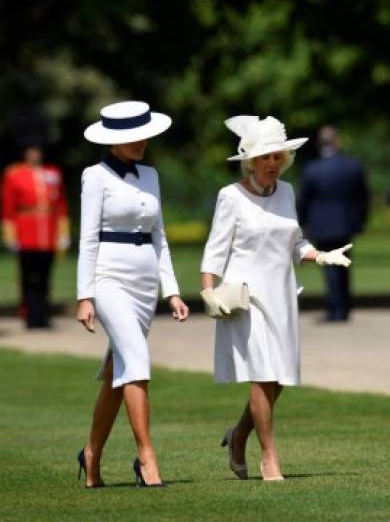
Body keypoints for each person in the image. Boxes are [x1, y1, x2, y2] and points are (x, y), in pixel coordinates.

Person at [200, 115, 352, 481]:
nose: (272, 163)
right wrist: (208, 290)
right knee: (261, 375)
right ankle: (269, 457)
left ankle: (238, 435)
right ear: (251, 160)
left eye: (277, 157)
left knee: (278, 377)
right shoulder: (230, 196)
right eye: (265, 157)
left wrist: (321, 254)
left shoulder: (286, 193)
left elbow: (294, 242)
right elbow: (214, 250)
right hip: (246, 298)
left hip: (281, 294)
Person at [76, 100, 189, 488]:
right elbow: (88, 238)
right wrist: (85, 295)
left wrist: (171, 291)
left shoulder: (151, 175)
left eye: (144, 135)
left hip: (144, 284)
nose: (142, 142)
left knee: (116, 373)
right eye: (133, 137)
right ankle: (147, 459)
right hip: (108, 277)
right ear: (113, 140)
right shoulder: (95, 176)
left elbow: (160, 236)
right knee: (137, 361)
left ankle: (91, 453)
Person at [298, 125, 369, 322]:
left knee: (330, 266)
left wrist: (302, 224)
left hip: (322, 225)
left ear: (319, 143)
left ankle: (336, 309)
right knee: (344, 265)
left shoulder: (312, 169)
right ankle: (345, 307)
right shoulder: (352, 166)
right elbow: (363, 197)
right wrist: (361, 220)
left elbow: (304, 200)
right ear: (337, 141)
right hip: (346, 224)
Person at [1, 137, 70, 328]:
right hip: (26, 233)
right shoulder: (14, 174)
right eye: (31, 151)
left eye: (37, 151)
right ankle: (30, 315)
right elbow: (8, 207)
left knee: (45, 277)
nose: (35, 154)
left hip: (47, 234)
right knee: (27, 277)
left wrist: (63, 232)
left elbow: (60, 204)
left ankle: (43, 315)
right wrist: (10, 234)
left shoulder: (52, 173)